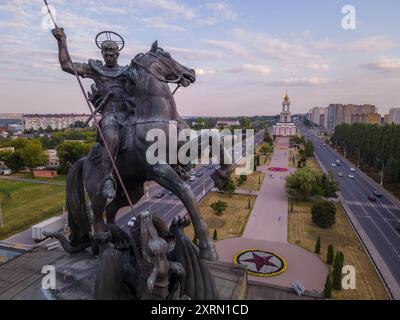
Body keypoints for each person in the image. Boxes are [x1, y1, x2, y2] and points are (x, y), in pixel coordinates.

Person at [52, 28, 133, 200]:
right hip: (110, 115)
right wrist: (62, 41)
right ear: (103, 55)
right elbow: (66, 65)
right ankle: (107, 178)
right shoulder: (95, 69)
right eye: (106, 55)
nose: (109, 58)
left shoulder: (127, 71)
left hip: (130, 114)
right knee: (111, 136)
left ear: (118, 55)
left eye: (112, 55)